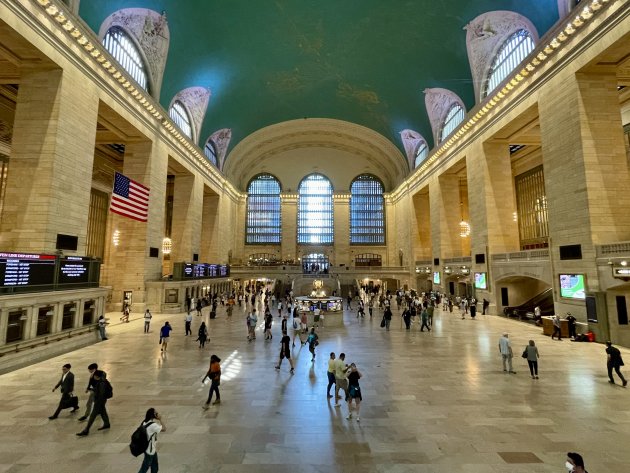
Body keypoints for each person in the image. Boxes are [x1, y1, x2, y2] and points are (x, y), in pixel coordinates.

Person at [76, 370, 110, 436]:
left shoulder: (101, 383)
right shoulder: (101, 381)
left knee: (92, 416)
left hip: (99, 401)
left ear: (96, 376)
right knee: (103, 412)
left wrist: (97, 401)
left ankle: (86, 430)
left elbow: (101, 393)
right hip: (101, 401)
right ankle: (107, 424)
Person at [137, 408, 165, 473]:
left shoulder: (144, 422)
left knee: (155, 467)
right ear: (153, 415)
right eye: (156, 413)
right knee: (144, 469)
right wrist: (160, 419)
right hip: (150, 450)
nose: (157, 414)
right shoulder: (153, 425)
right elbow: (164, 429)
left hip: (148, 448)